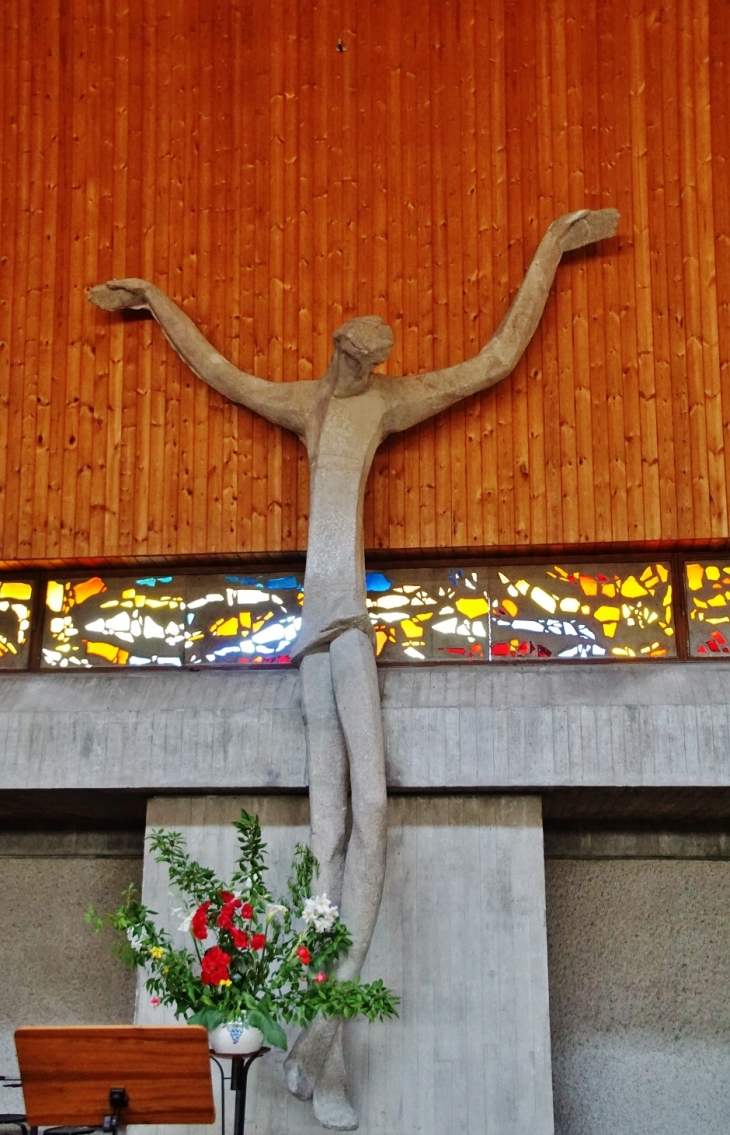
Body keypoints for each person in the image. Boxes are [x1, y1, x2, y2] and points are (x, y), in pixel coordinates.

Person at [89, 206, 619, 1129]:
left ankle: (315, 1047)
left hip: (351, 632)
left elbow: (494, 359)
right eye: (358, 352)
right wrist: (157, 303)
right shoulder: (310, 403)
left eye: (373, 358)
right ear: (341, 349)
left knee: (371, 821)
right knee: (329, 844)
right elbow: (218, 368)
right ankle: (312, 1051)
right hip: (313, 640)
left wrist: (550, 251)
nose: (366, 364)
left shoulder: (387, 403)